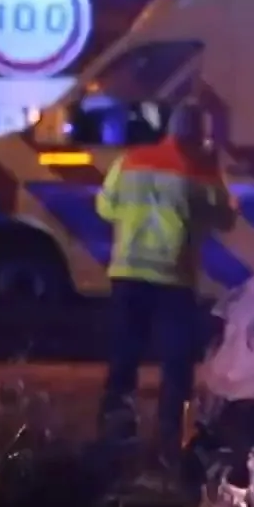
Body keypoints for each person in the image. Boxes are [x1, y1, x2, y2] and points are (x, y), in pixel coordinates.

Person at [95, 101, 236, 451]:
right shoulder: (199, 171)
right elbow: (225, 219)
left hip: (127, 273)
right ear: (196, 136)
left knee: (124, 357)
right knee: (176, 365)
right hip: (174, 280)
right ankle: (170, 440)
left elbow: (105, 207)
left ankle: (115, 435)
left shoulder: (129, 161)